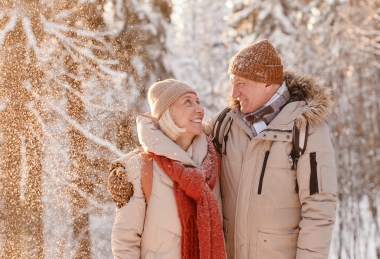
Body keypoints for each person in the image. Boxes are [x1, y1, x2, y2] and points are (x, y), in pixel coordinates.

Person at [109, 39, 337, 259]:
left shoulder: (305, 129)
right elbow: (175, 139)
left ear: (267, 82)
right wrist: (126, 167)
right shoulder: (227, 122)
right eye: (232, 83)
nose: (234, 93)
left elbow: (319, 209)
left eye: (241, 84)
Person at [108, 79, 226, 259]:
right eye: (187, 102)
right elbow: (125, 242)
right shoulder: (141, 168)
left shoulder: (212, 163)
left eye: (198, 102)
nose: (199, 109)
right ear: (167, 112)